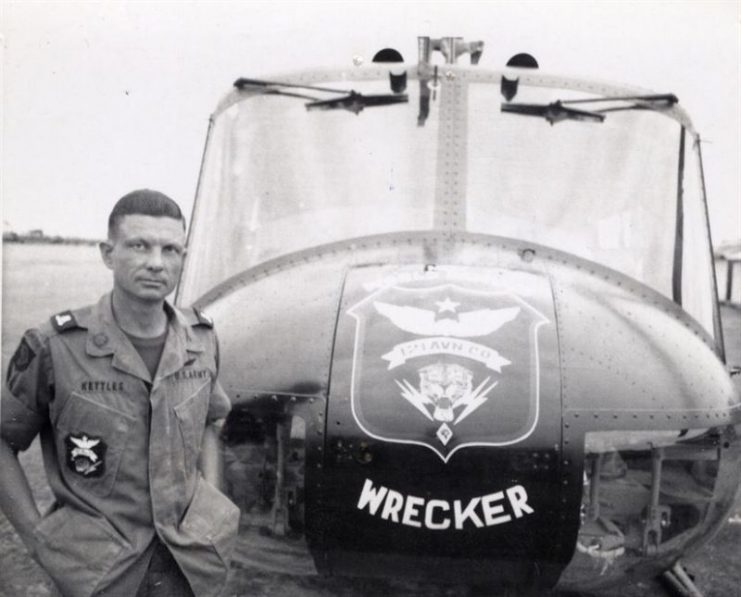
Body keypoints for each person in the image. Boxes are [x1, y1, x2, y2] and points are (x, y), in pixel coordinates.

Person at [0, 190, 240, 597]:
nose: (155, 262)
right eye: (139, 246)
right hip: (98, 572)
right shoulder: (55, 346)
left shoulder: (201, 340)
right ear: (108, 254)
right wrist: (36, 537)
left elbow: (209, 424)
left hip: (187, 566)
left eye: (171, 249)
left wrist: (211, 507)